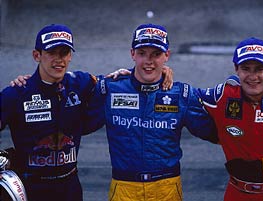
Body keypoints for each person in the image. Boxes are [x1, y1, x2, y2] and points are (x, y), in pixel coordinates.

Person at [96, 23, 218, 201]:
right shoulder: (110, 89)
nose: (149, 61)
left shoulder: (181, 94)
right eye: (142, 53)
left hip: (166, 188)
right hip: (124, 188)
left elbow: (216, 134)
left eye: (156, 54)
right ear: (132, 54)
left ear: (167, 55)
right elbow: (76, 117)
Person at [0, 24, 105, 201]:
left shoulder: (81, 83)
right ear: (37, 55)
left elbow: (123, 81)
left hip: (70, 188)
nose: (59, 59)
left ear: (70, 56)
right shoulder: (16, 93)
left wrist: (162, 72)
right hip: (31, 189)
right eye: (51, 53)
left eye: (64, 53)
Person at [199, 37, 263, 200]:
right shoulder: (224, 96)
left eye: (259, 69)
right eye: (246, 68)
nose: (253, 77)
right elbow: (184, 99)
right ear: (236, 69)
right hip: (237, 193)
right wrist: (162, 76)